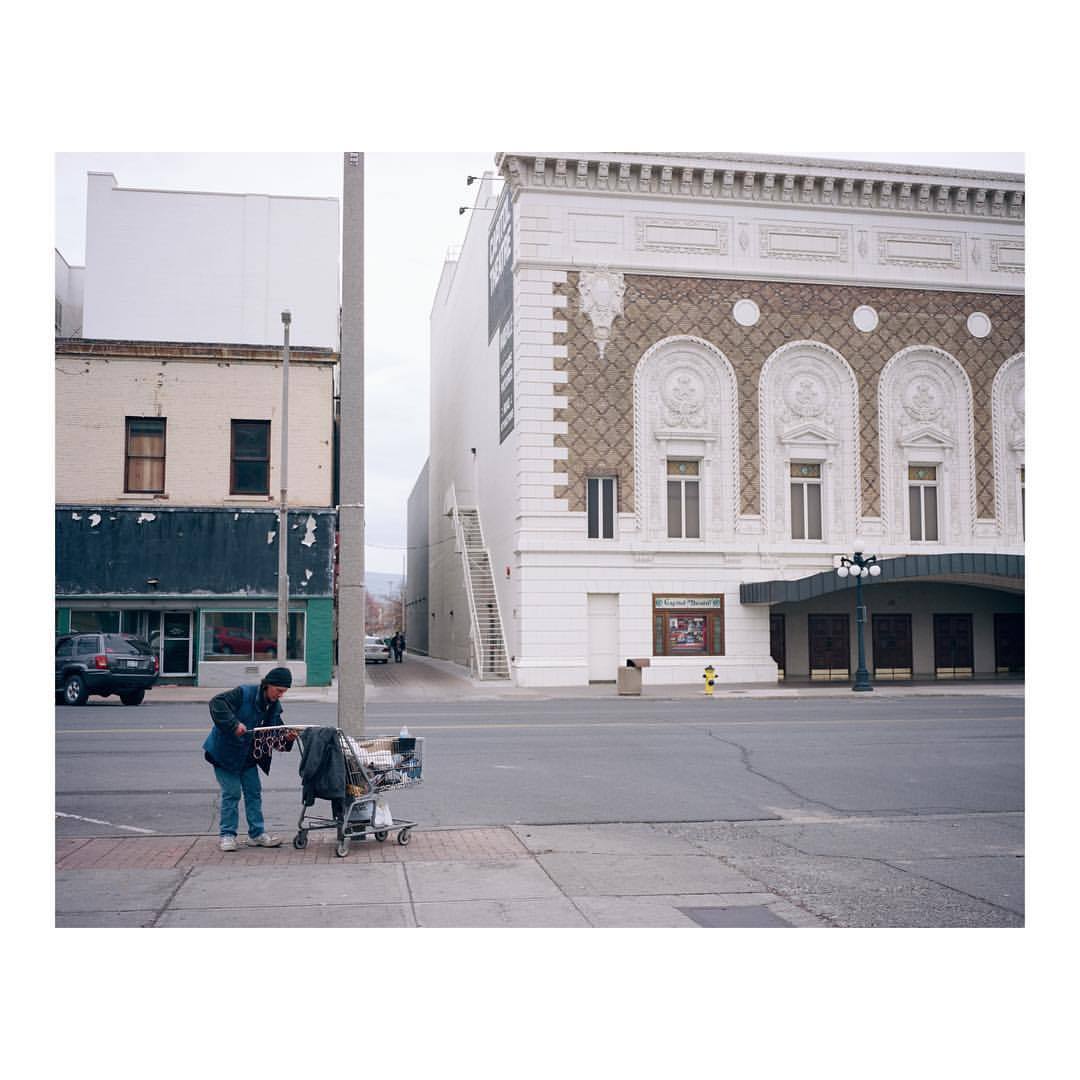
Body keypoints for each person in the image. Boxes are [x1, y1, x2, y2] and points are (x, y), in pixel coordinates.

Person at [202, 666, 296, 851]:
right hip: (224, 754)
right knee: (233, 793)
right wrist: (233, 724)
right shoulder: (243, 693)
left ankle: (257, 834)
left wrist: (287, 738)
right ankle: (227, 835)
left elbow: (275, 733)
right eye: (278, 691)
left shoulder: (274, 706)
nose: (280, 695)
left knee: (254, 792)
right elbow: (216, 703)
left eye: (284, 692)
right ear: (268, 685)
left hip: (248, 756)